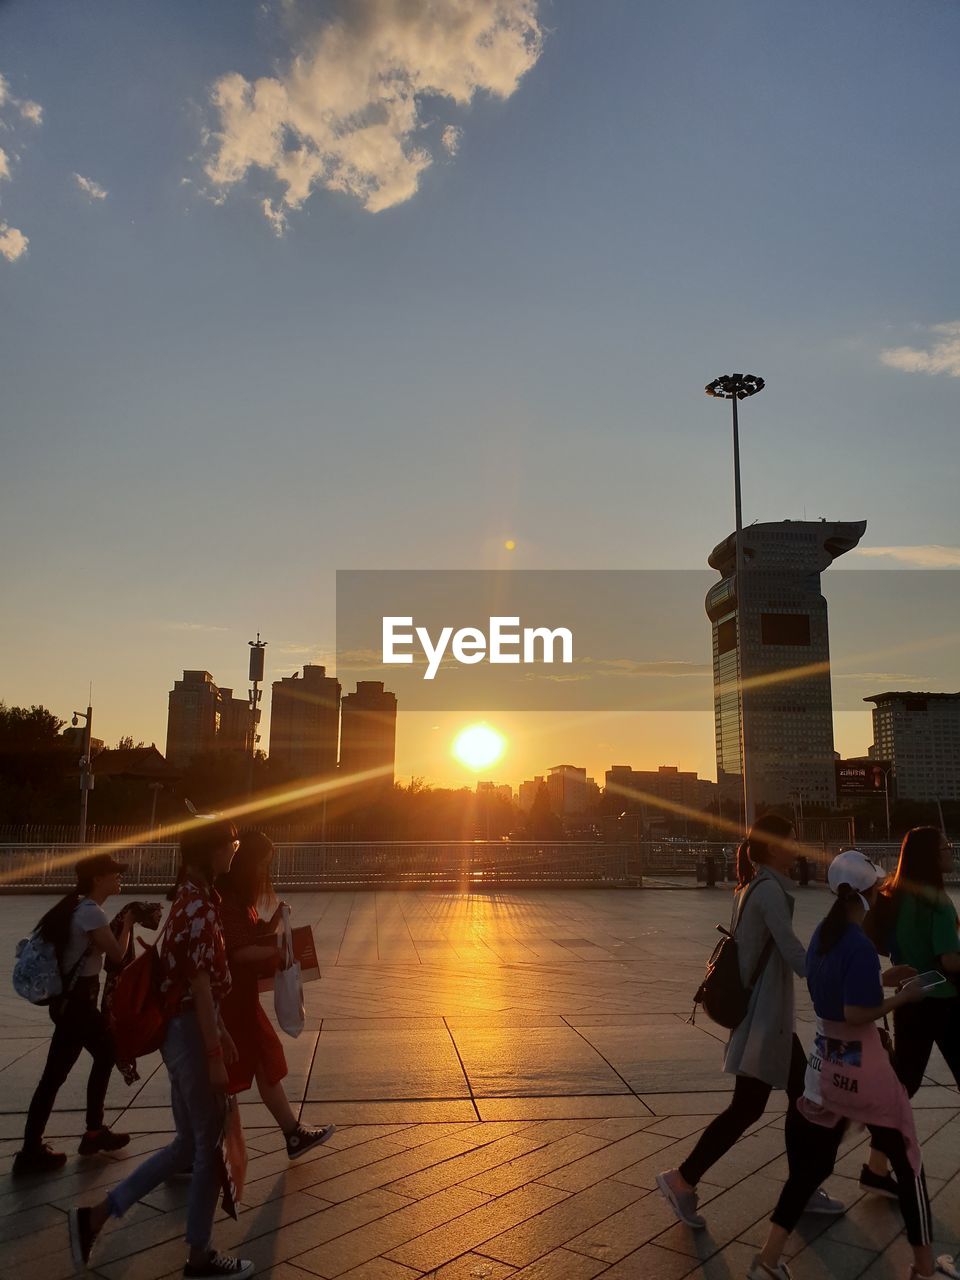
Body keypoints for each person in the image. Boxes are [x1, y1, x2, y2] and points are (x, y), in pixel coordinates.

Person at [749, 849, 958, 1280]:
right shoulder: (859, 945)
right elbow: (857, 1012)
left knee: (811, 1168)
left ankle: (766, 1260)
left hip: (824, 1066)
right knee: (909, 1160)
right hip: (865, 1069)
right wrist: (904, 996)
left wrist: (883, 978)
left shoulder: (824, 934)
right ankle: (923, 1266)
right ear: (865, 894)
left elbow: (831, 983)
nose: (883, 896)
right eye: (879, 889)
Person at [68, 819, 256, 1279]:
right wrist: (214, 1052)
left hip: (185, 1031)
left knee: (188, 1145)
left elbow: (197, 982)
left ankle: (96, 1218)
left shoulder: (192, 900)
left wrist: (221, 1035)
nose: (234, 852)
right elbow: (197, 981)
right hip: (191, 1035)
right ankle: (199, 1254)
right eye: (230, 844)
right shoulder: (199, 907)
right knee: (207, 1146)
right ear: (209, 852)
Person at [657, 815, 844, 1228]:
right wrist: (838, 973)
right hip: (764, 1018)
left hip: (765, 1017)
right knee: (753, 1106)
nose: (797, 848)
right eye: (793, 840)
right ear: (775, 847)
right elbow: (794, 953)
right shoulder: (769, 893)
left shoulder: (753, 886)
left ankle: (802, 1187)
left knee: (796, 1097)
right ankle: (683, 1178)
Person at [14, 853, 134, 1176]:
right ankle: (86, 1135)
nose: (119, 878)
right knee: (101, 1054)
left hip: (72, 1005)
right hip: (79, 1005)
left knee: (60, 1073)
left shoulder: (77, 908)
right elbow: (119, 955)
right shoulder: (91, 913)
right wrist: (131, 921)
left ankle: (37, 1146)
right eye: (114, 873)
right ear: (98, 878)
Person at [218, 831, 334, 1157]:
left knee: (257, 1062)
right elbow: (238, 952)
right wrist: (280, 953)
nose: (264, 873)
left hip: (241, 998)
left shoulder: (236, 897)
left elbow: (245, 938)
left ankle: (291, 1133)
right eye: (262, 865)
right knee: (248, 1064)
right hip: (231, 1002)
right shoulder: (226, 900)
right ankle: (197, 1148)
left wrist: (272, 927)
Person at [868, 827, 960, 1095]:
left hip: (909, 1000)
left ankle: (880, 1127)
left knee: (904, 1082)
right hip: (944, 1002)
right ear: (931, 856)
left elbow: (882, 943)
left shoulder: (894, 897)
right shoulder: (937, 902)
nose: (950, 853)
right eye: (946, 848)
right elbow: (950, 960)